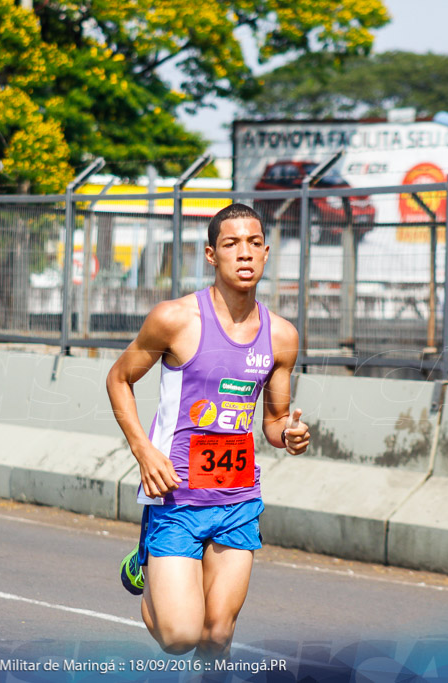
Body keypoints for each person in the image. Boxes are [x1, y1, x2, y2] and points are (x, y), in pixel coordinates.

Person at [105, 203, 310, 658]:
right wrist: (144, 452)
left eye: (254, 243)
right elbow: (119, 379)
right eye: (232, 243)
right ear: (211, 255)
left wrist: (289, 435)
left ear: (266, 253)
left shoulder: (281, 336)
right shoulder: (175, 320)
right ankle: (145, 563)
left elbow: (274, 422)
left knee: (217, 634)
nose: (244, 253)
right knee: (181, 636)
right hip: (177, 497)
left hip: (238, 498)